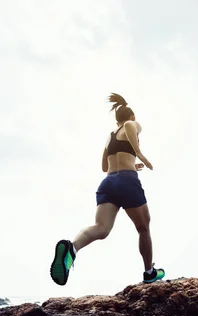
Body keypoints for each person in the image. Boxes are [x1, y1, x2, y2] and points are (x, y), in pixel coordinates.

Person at [50, 93, 165, 286]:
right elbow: (130, 127)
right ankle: (149, 272)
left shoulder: (110, 137)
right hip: (127, 181)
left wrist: (131, 163)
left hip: (108, 181)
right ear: (132, 116)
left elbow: (105, 166)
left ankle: (72, 249)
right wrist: (139, 155)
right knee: (144, 227)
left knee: (101, 229)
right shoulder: (131, 124)